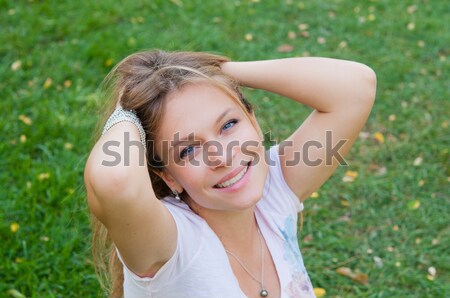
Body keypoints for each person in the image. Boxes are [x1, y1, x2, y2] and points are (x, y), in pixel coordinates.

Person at [84, 50, 376, 298]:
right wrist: (128, 106)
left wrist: (211, 71)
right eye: (188, 151)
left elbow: (355, 87)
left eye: (228, 125)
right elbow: (115, 181)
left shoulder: (273, 191)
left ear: (253, 119)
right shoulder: (172, 247)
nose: (223, 157)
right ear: (167, 177)